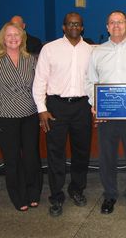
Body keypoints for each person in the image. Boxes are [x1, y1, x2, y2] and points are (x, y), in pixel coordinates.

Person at [85, 10, 126, 215]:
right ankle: (110, 195)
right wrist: (95, 103)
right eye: (112, 23)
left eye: (120, 22)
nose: (116, 26)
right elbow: (89, 81)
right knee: (106, 158)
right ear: (107, 27)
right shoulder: (96, 52)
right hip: (106, 114)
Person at [33, 12, 93, 217]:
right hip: (56, 107)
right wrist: (42, 109)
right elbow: (40, 80)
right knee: (55, 154)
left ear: (82, 27)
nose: (74, 26)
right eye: (70, 23)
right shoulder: (49, 49)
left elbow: (94, 81)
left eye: (78, 24)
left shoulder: (91, 50)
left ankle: (77, 190)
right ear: (63, 27)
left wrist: (96, 106)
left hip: (82, 107)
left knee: (81, 152)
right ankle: (56, 196)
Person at [0, 22, 42, 211]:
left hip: (30, 114)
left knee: (32, 156)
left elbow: (40, 86)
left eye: (16, 34)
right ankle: (18, 196)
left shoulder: (31, 59)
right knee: (12, 158)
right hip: (5, 116)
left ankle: (33, 192)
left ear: (22, 37)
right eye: (9, 35)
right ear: (3, 38)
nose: (13, 38)